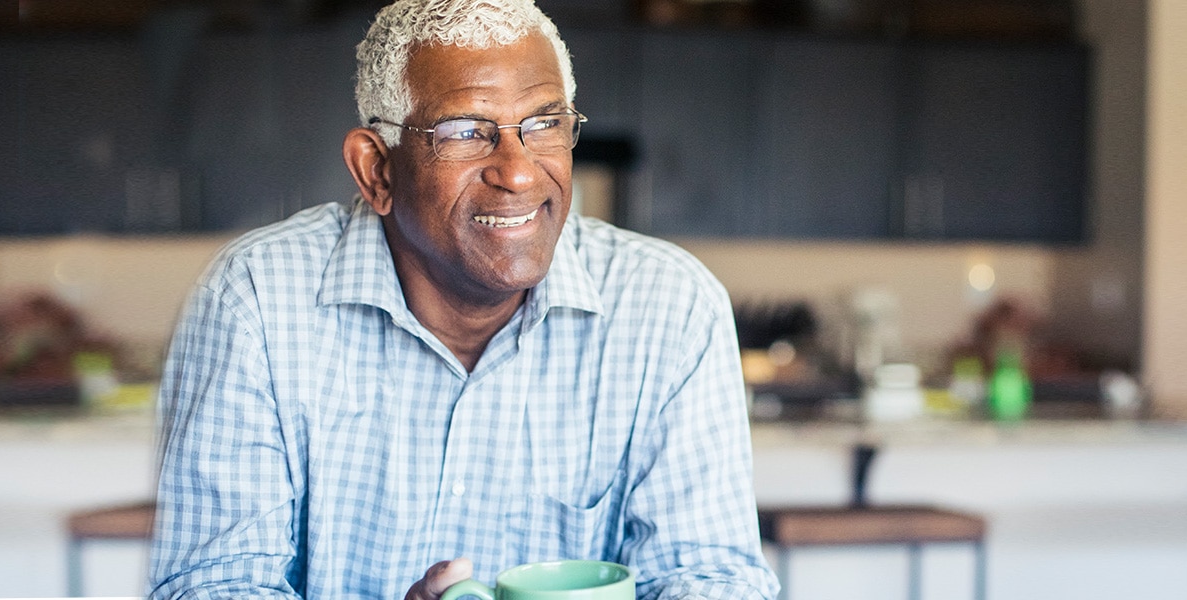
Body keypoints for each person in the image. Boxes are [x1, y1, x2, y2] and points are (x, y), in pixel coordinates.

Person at [148, 0, 775, 598]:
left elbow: (711, 573)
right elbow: (214, 583)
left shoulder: (670, 307)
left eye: (545, 124)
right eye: (467, 132)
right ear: (378, 170)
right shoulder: (256, 301)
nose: (520, 171)